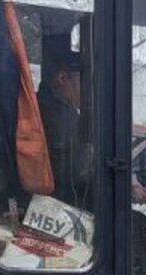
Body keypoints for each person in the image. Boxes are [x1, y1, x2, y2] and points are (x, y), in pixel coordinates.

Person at [38, 42, 94, 210]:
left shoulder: (47, 105)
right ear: (63, 78)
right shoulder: (58, 116)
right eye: (84, 82)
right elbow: (78, 171)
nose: (89, 90)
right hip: (60, 203)